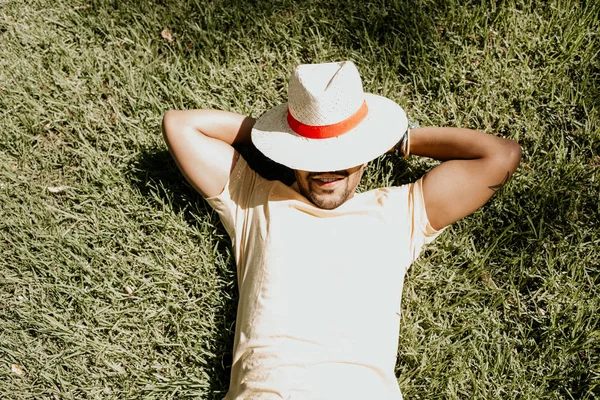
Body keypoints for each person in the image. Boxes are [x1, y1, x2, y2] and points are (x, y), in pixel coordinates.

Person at [162, 61, 521, 400]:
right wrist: (278, 139)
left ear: (366, 152)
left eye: (342, 152)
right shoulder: (256, 200)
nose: (328, 169)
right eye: (312, 155)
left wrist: (399, 142)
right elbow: (180, 126)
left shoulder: (400, 211)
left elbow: (500, 156)